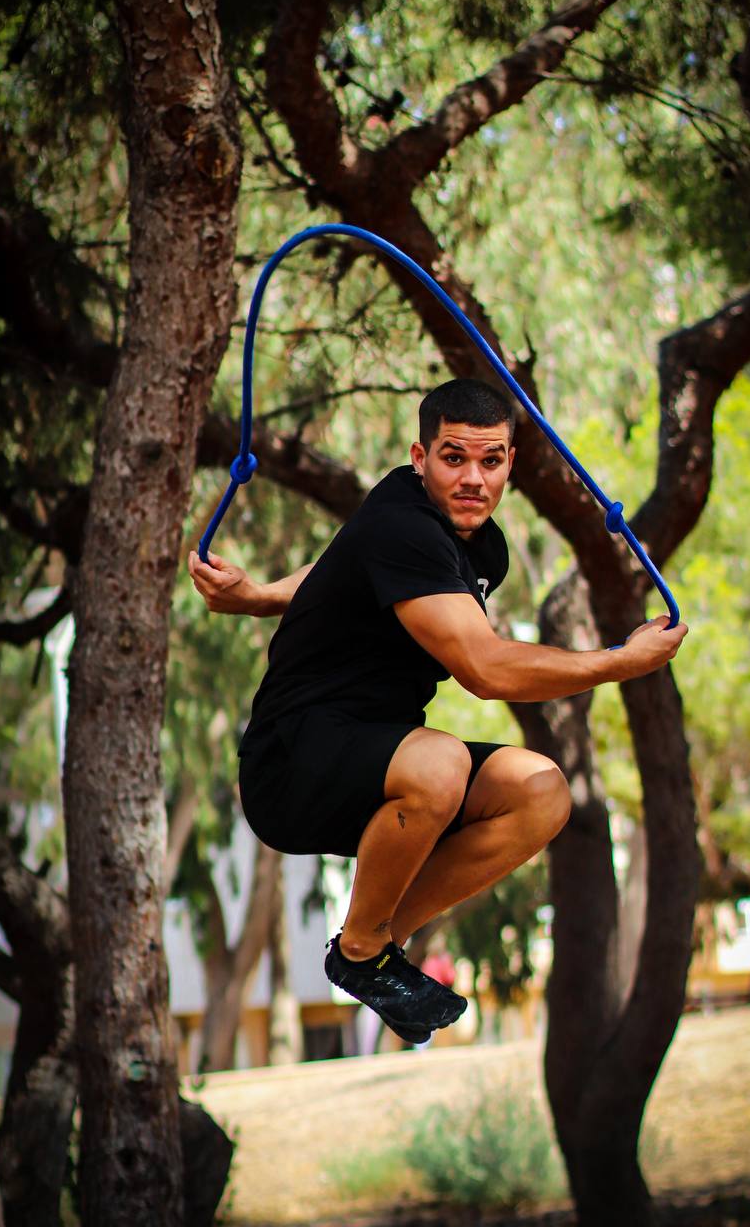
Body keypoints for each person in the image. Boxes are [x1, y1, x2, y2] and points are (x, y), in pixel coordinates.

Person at [188, 378, 687, 1043]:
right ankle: (363, 948)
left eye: (490, 460)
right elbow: (484, 669)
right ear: (419, 457)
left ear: (510, 462)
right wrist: (618, 661)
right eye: (454, 457)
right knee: (441, 762)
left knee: (541, 792)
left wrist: (262, 596)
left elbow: (346, 568)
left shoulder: (476, 546)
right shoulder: (403, 522)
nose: (473, 478)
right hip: (292, 763)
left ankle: (371, 945)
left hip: (376, 762)